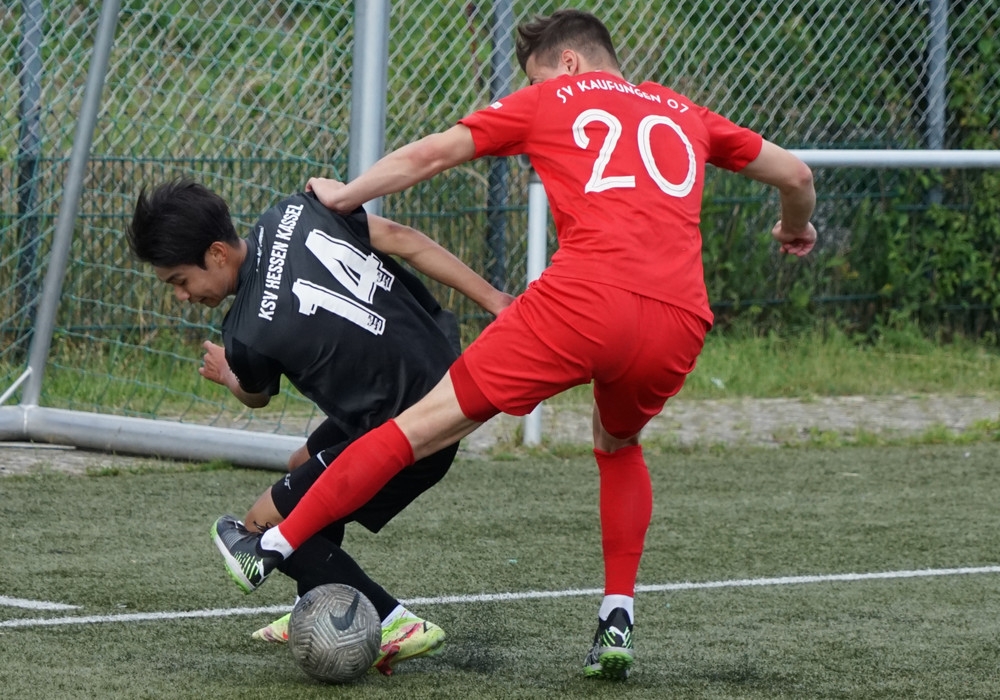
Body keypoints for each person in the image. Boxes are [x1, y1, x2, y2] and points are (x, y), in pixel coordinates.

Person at [213, 8, 817, 681]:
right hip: (678, 318)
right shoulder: (684, 112)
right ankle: (617, 614)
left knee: (416, 428)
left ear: (569, 63)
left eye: (534, 75)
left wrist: (345, 194)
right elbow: (795, 176)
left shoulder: (555, 97)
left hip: (582, 302)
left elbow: (432, 153)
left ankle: (273, 544)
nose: (533, 86)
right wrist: (794, 229)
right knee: (618, 445)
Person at [126, 179, 513, 675]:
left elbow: (257, 396)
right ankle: (315, 597)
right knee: (301, 465)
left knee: (261, 526)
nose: (181, 295)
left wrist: (228, 375)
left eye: (179, 280)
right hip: (442, 376)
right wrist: (495, 299)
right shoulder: (294, 212)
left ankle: (392, 620)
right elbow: (403, 238)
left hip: (409, 432)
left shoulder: (245, 334)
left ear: (217, 253)